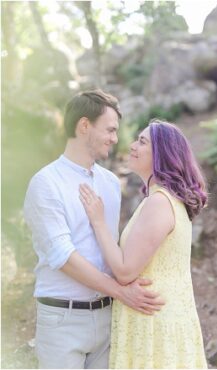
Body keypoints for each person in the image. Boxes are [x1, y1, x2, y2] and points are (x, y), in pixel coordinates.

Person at [23, 90, 164, 369]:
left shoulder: (111, 183)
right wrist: (121, 291)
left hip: (108, 316)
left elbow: (112, 247)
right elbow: (62, 256)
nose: (115, 138)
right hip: (64, 318)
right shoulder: (45, 183)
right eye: (110, 130)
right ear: (84, 125)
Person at [79, 119, 208, 368]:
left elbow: (126, 271)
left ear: (162, 153)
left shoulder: (160, 202)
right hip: (158, 313)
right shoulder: (164, 200)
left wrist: (98, 221)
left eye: (142, 141)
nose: (132, 146)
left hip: (151, 318)